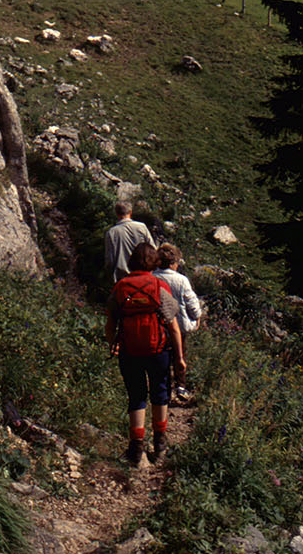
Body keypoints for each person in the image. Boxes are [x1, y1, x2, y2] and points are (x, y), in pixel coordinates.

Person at [106, 242, 186, 464]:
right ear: (154, 263)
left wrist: (114, 343)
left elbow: (110, 323)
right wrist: (179, 358)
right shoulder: (159, 286)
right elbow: (173, 326)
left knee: (136, 396)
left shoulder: (121, 287)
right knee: (160, 394)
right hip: (158, 350)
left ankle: (136, 448)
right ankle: (160, 445)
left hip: (130, 351)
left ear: (132, 262)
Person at [153, 243, 202, 401]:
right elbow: (191, 302)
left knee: (162, 356)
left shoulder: (153, 277)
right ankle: (181, 386)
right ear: (174, 262)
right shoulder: (181, 280)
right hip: (179, 325)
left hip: (158, 325)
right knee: (180, 355)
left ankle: (163, 388)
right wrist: (197, 317)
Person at [104, 199, 155, 281]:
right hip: (143, 275)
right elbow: (152, 249)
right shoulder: (141, 227)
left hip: (122, 278)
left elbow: (110, 260)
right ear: (130, 212)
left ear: (117, 213)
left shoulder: (112, 232)